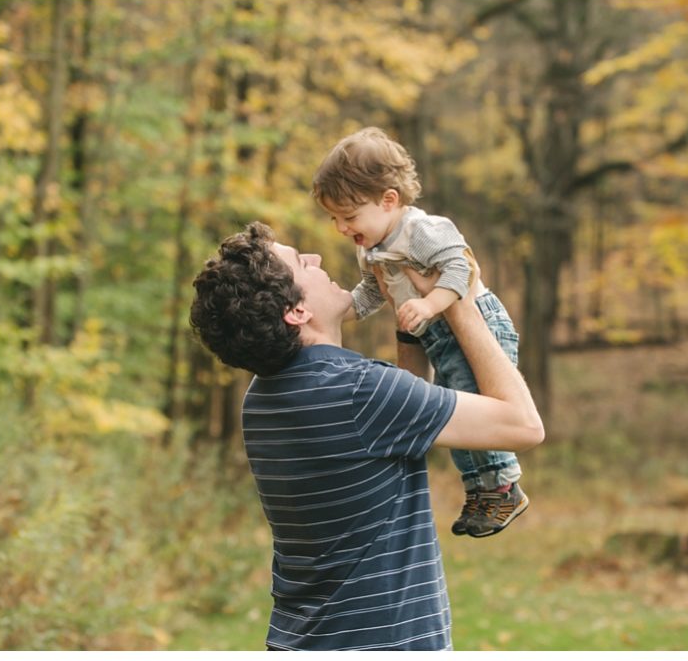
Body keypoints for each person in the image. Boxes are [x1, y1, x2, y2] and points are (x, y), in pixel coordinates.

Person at [189, 220, 543, 652]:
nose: (317, 259)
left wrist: (409, 316)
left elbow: (403, 422)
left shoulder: (261, 400)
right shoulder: (361, 392)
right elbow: (523, 425)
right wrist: (460, 301)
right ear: (296, 311)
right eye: (303, 262)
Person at [312, 127, 530, 540]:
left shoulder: (422, 230)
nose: (341, 228)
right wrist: (344, 310)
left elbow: (461, 270)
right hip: (438, 338)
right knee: (453, 417)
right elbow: (375, 290)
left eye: (349, 216)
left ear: (388, 200)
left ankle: (503, 485)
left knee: (477, 412)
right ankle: (481, 490)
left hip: (477, 324)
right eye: (335, 219)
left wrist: (430, 305)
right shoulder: (371, 246)